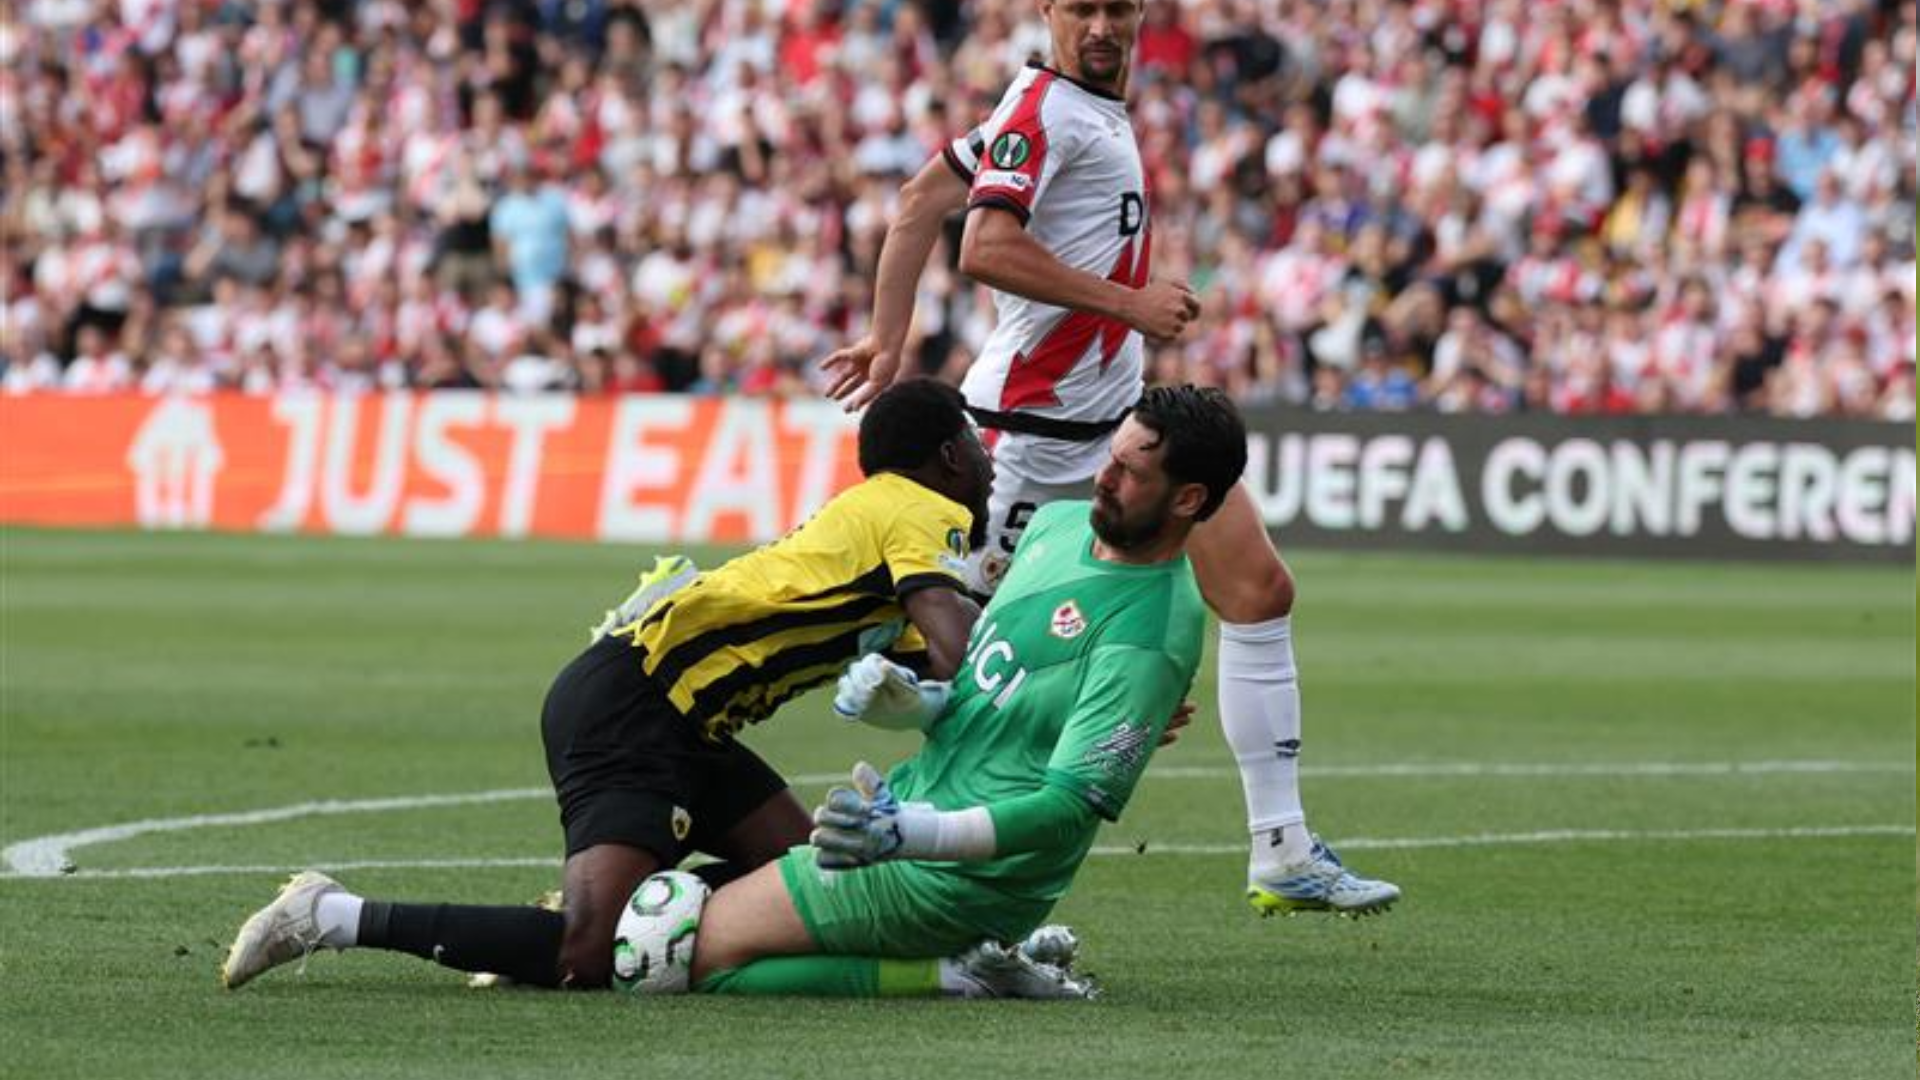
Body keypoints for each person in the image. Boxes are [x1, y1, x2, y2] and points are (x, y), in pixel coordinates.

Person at [819, 0, 1398, 916]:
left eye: (1117, 8)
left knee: (1257, 590)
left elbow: (921, 200)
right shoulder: (1044, 108)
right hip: (1023, 436)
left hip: (1113, 421)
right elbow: (984, 242)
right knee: (965, 674)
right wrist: (1128, 306)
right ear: (1048, 13)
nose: (1101, 25)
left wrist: (888, 340)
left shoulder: (1071, 110)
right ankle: (884, 878)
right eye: (1080, 8)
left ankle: (1282, 849)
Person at [222, 379, 994, 991]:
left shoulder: (884, 515)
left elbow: (929, 657)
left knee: (811, 881)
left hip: (686, 723)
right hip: (636, 706)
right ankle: (330, 915)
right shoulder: (923, 508)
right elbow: (962, 651)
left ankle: (584, 915)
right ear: (950, 455)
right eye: (978, 442)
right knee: (585, 955)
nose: (990, 460)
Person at [665, 384, 1248, 999]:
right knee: (683, 930)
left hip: (959, 881)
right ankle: (978, 962)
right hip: (908, 808)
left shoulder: (1151, 633)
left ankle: (954, 975)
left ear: (1187, 498)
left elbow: (1065, 810)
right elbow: (986, 692)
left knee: (676, 959)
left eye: (1132, 473)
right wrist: (912, 702)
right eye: (1112, 455)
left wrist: (912, 835)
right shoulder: (1054, 524)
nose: (1104, 478)